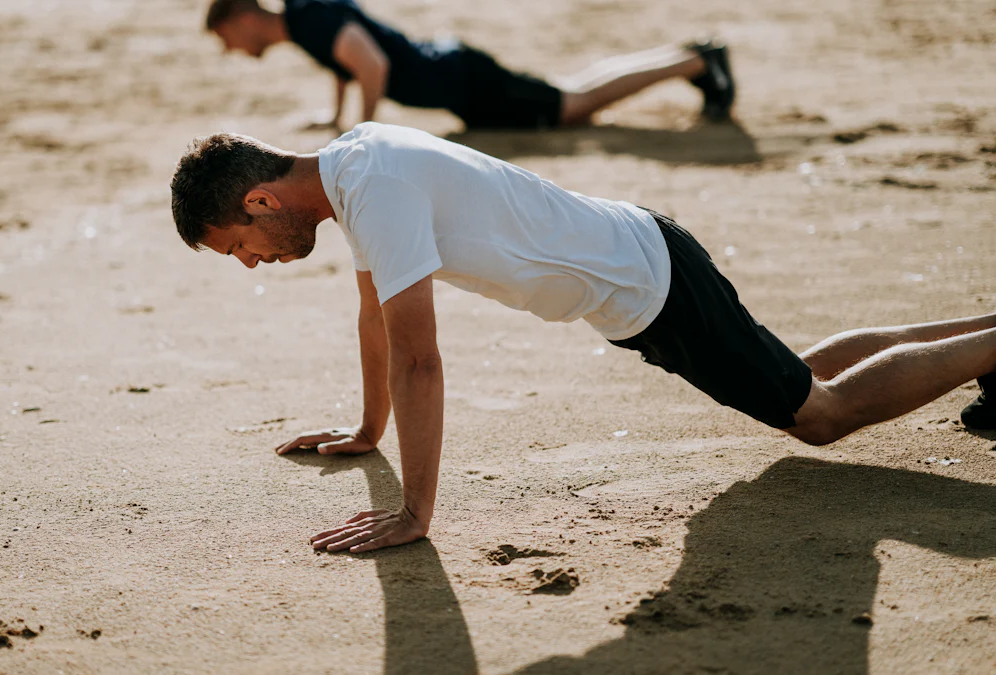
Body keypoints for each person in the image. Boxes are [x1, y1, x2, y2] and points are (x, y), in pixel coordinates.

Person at [169, 122, 996, 554]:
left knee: (819, 415)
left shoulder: (372, 189)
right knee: (802, 373)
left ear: (260, 202)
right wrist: (366, 429)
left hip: (649, 285)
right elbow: (375, 318)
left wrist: (415, 512)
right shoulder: (355, 167)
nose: (251, 264)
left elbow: (420, 359)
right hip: (643, 263)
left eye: (238, 246)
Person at [204, 0, 735, 130]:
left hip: (462, 80)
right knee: (572, 94)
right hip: (458, 79)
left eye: (226, 39)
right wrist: (336, 116)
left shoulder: (308, 18)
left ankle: (695, 61)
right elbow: (346, 63)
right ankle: (689, 56)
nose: (231, 49)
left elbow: (371, 64)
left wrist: (362, 131)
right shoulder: (303, 20)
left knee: (575, 104)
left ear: (243, 17)